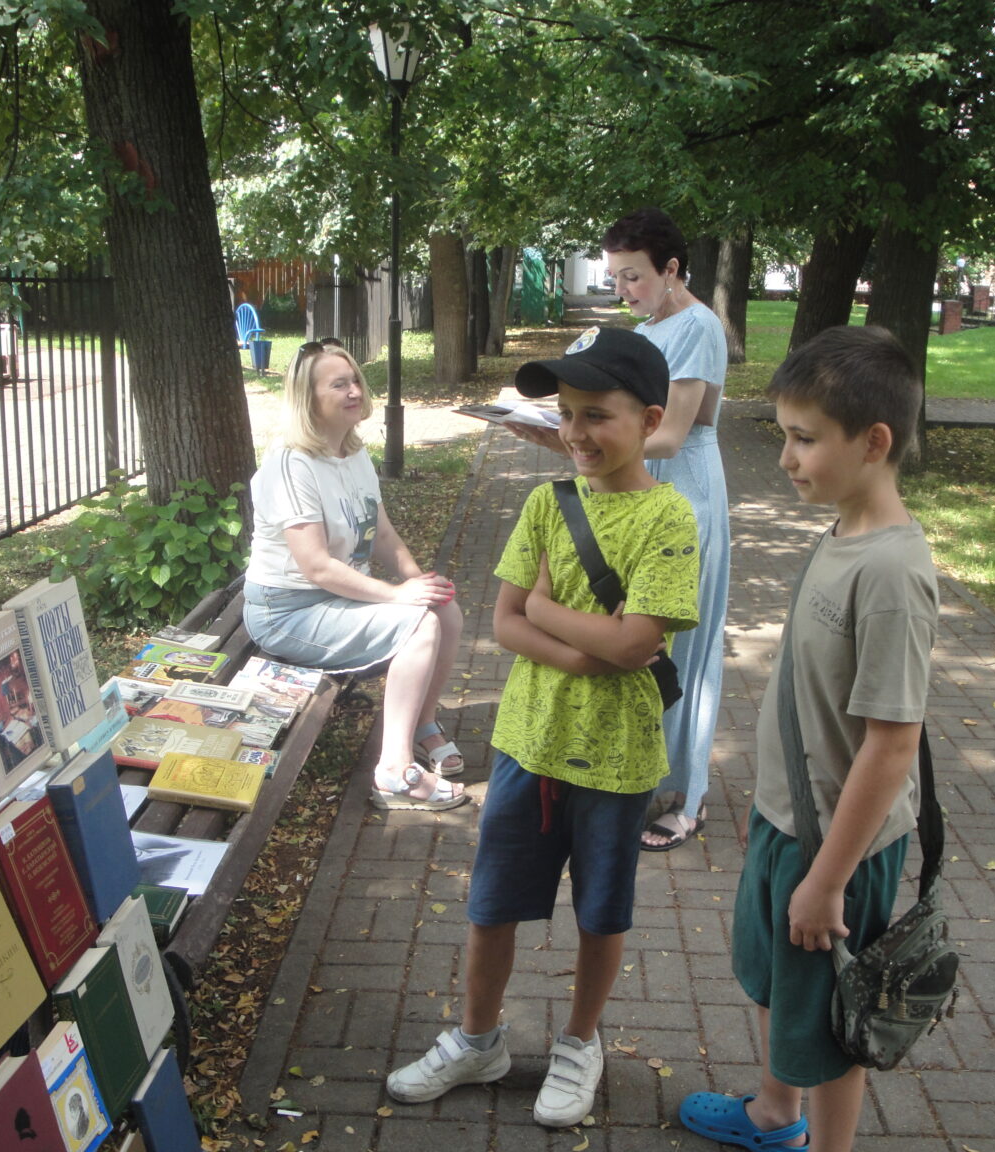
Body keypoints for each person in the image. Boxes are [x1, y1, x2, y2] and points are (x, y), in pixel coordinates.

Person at [386, 326, 700, 1126]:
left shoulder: (670, 519)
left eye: (596, 415)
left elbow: (634, 643)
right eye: (566, 414)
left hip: (617, 759)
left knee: (601, 912)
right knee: (492, 902)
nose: (575, 433)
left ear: (650, 420)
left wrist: (549, 609)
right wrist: (589, 649)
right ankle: (477, 1039)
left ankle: (580, 1043)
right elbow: (505, 624)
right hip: (528, 743)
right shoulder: (546, 503)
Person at [678, 326, 939, 1152]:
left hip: (838, 848)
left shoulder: (892, 572)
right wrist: (776, 813)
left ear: (874, 443)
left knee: (829, 1022)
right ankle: (773, 1113)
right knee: (777, 982)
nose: (786, 458)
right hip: (790, 820)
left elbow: (892, 746)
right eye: (784, 436)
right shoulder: (842, 533)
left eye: (804, 439)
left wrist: (828, 881)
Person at [511, 207, 729, 851]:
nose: (623, 289)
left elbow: (671, 434)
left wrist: (572, 441)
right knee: (620, 626)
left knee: (681, 648)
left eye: (633, 276)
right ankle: (642, 773)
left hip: (683, 491)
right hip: (631, 488)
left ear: (672, 269)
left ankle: (687, 796)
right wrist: (567, 438)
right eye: (615, 277)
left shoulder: (698, 326)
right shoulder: (648, 327)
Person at [243, 339, 468, 811]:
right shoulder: (291, 464)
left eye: (355, 382)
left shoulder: (353, 452)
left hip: (336, 595)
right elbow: (316, 566)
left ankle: (423, 722)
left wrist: (419, 581)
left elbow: (381, 534)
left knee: (443, 610)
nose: (354, 392)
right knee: (418, 624)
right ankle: (394, 771)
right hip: (287, 610)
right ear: (308, 398)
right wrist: (397, 595)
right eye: (339, 384)